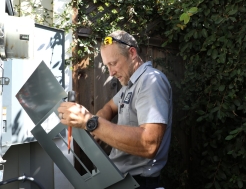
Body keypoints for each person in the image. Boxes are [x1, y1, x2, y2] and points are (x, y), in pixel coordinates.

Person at [57, 30, 172, 189]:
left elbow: (149, 144)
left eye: (113, 63)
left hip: (137, 182)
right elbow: (109, 107)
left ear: (132, 53)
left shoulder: (150, 81)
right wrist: (96, 130)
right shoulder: (130, 86)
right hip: (118, 176)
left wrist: (91, 123)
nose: (111, 73)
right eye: (107, 66)